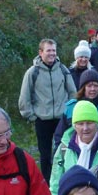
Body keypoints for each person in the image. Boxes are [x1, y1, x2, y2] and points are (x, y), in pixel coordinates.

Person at [18, 38, 76, 183]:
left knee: (63, 149)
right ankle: (47, 181)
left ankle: (64, 178)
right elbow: (25, 95)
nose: (52, 54)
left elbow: (72, 92)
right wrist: (30, 115)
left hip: (61, 118)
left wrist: (69, 111)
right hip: (42, 119)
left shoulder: (63, 69)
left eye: (54, 50)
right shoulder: (33, 72)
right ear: (41, 52)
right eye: (48, 50)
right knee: (45, 154)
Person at [50, 101, 98, 195]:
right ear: (74, 126)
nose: (85, 128)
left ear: (97, 123)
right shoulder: (64, 147)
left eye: (89, 123)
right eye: (80, 124)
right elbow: (55, 181)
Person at [53, 69, 98, 150]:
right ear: (83, 88)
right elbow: (60, 134)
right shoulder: (71, 108)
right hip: (77, 150)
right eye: (89, 86)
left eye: (96, 86)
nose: (93, 89)